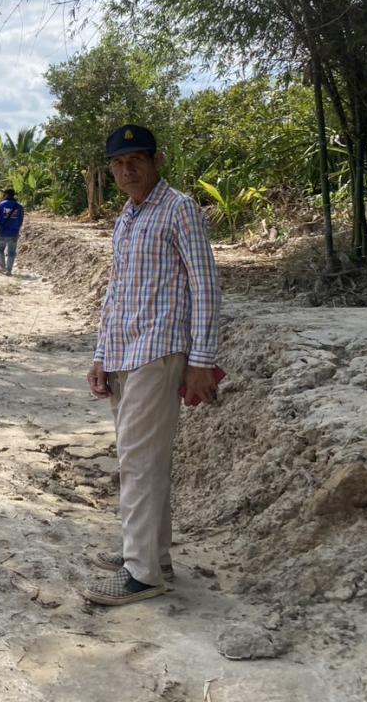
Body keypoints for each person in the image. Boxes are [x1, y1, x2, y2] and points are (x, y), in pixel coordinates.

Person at [83, 124, 221, 606]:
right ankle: (152, 556)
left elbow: (205, 287)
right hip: (125, 352)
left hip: (158, 352)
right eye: (119, 164)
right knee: (144, 461)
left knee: (138, 464)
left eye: (136, 160)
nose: (127, 170)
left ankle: (141, 576)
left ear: (157, 161)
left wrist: (202, 360)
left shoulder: (180, 210)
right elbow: (116, 291)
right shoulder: (127, 217)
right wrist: (101, 354)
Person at [0, 187, 23, 275]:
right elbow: (20, 221)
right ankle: (9, 270)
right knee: (11, 253)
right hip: (13, 233)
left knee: (0, 250)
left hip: (2, 232)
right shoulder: (19, 207)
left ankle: (2, 268)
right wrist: (16, 230)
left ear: (6, 194)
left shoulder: (1, 205)